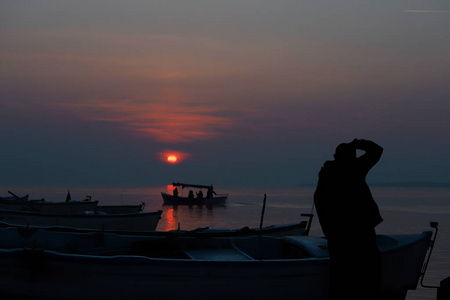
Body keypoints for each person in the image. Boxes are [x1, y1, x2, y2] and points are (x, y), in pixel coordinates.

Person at [314, 139, 383, 300]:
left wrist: (329, 231)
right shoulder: (354, 168)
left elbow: (320, 202)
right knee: (367, 278)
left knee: (341, 279)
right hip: (358, 233)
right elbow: (377, 150)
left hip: (337, 236)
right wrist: (358, 143)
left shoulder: (327, 174)